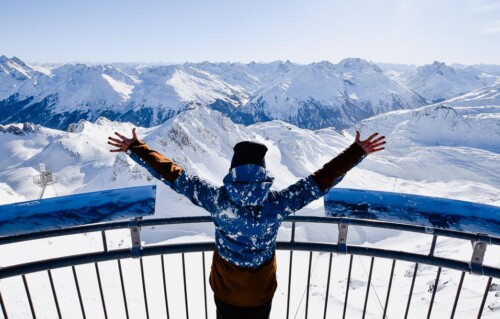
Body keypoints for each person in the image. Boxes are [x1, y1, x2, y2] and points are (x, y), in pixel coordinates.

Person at [108, 129, 385, 319]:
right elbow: (320, 181)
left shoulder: (216, 200)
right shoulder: (278, 204)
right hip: (261, 292)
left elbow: (174, 176)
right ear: (264, 172)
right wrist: (355, 152)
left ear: (233, 169)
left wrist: (137, 148)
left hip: (225, 289)